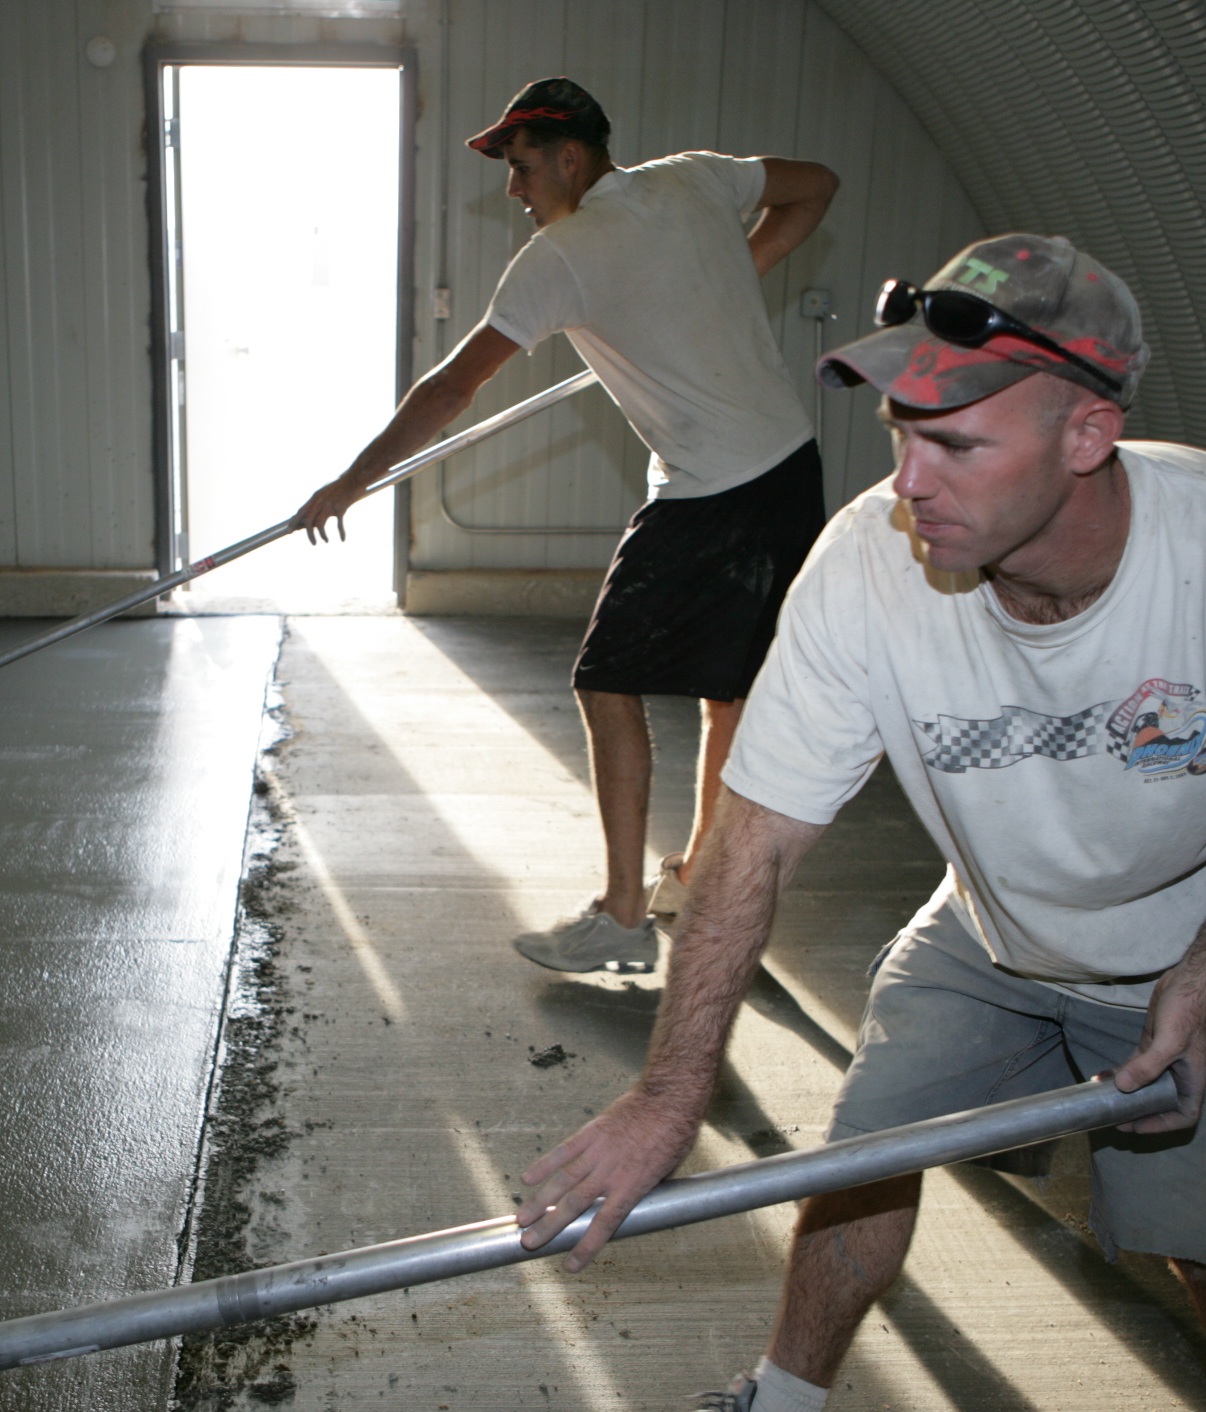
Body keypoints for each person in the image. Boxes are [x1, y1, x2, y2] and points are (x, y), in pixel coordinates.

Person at [509, 234, 1206, 1412]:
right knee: (861, 1158)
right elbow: (751, 840)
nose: (910, 487)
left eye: (957, 445)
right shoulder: (868, 571)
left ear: (1087, 433)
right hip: (996, 935)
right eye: (900, 435)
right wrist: (671, 1093)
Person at [296, 78, 840, 974]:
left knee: (604, 680)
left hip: (713, 489)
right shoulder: (694, 179)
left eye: (520, 167)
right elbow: (815, 183)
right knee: (729, 691)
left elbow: (451, 388)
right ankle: (698, 880)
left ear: (570, 157)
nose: (513, 190)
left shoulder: (564, 252)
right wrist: (728, 276)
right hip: (789, 468)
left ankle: (623, 919)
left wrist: (355, 480)